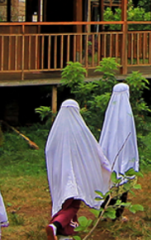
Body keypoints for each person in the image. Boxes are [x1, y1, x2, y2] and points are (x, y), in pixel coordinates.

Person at [45, 99, 112, 240]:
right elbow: (95, 150)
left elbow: (49, 152)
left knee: (64, 201)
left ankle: (66, 230)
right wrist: (106, 166)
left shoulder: (55, 132)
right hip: (75, 176)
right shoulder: (81, 131)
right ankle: (55, 225)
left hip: (59, 174)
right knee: (73, 205)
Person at [99, 83, 139, 219]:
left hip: (109, 151)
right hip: (124, 154)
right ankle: (117, 213)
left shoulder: (111, 110)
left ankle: (104, 212)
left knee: (110, 182)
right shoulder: (127, 114)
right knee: (122, 181)